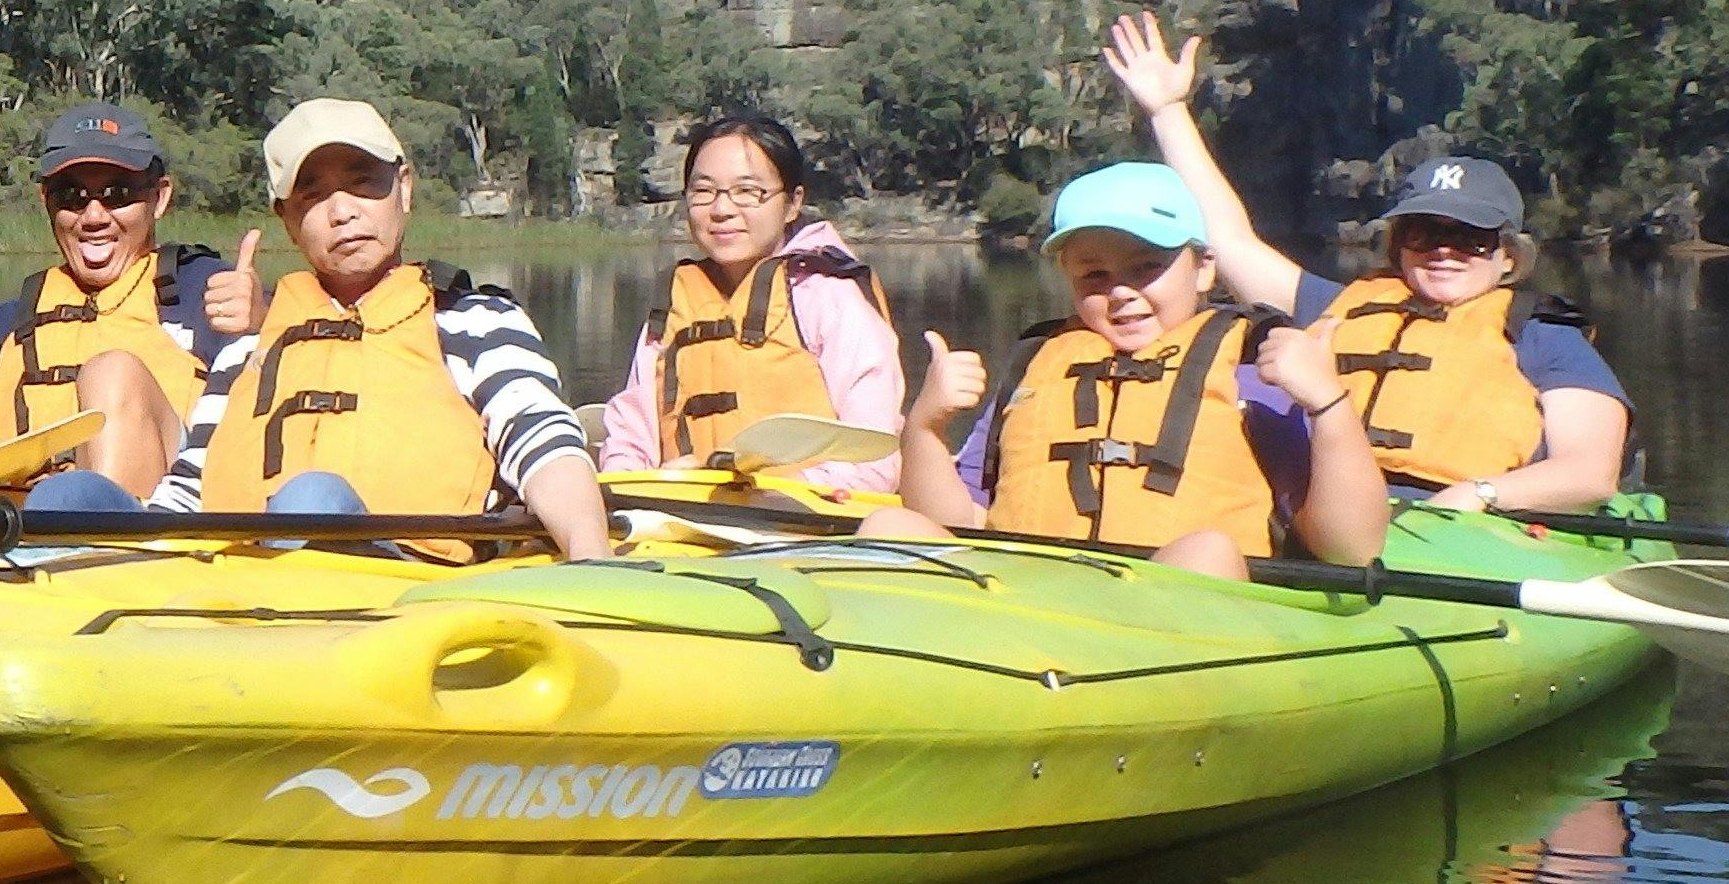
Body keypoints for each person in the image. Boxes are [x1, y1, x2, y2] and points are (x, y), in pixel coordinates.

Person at [1103, 14, 1634, 514]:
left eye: (1470, 238)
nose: (1443, 251)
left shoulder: (1542, 335)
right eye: (1424, 234)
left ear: (1508, 256)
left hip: (1461, 518)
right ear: (1398, 245)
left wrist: (1477, 494)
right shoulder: (1336, 308)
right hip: (1330, 510)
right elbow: (1229, 241)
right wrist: (1167, 111)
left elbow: (1590, 472)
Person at [145, 100, 614, 561]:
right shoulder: (249, 345)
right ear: (287, 220)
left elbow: (545, 448)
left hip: (402, 574)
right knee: (97, 499)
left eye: (363, 183)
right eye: (313, 195)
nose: (342, 212)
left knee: (313, 498)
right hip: (235, 579)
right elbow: (189, 487)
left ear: (403, 188)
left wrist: (590, 556)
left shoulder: (474, 322)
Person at [888, 161, 1392, 579]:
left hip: (1168, 620)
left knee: (1206, 553)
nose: (1121, 292)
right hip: (1026, 598)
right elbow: (958, 524)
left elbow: (1350, 549)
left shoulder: (1250, 369)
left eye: (1147, 266)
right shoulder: (1037, 365)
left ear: (1204, 268)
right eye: (1094, 274)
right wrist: (926, 426)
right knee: (891, 527)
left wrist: (1328, 404)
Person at [0, 104, 230, 500]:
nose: (94, 216)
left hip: (159, 525)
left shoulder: (209, 294)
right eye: (71, 196)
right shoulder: (9, 325)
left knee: (112, 373)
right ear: (46, 201)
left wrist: (256, 324)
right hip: (29, 520)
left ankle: (93, 522)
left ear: (158, 197)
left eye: (118, 194)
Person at [598, 112, 903, 501]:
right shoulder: (673, 308)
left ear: (792, 203)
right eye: (703, 191)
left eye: (748, 191)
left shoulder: (829, 299)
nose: (721, 209)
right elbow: (629, 436)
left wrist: (761, 494)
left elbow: (874, 459)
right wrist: (639, 487)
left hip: (808, 516)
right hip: (687, 514)